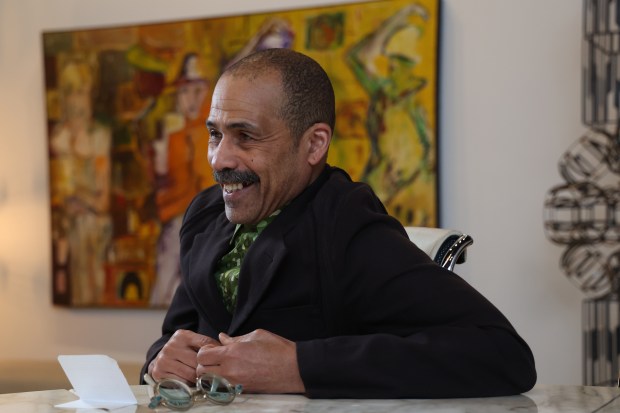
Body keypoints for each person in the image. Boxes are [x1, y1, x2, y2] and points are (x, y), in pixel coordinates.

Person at [142, 48, 536, 398]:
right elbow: (174, 337)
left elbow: (502, 354)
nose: (219, 159)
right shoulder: (205, 215)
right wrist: (161, 359)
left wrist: (297, 365)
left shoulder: (349, 227)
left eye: (245, 136)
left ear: (314, 145)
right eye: (215, 134)